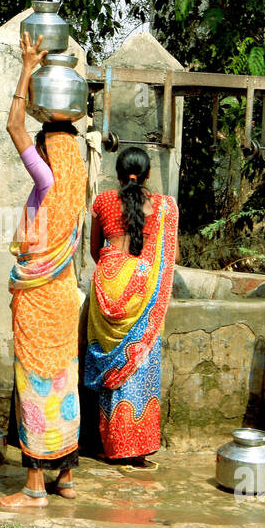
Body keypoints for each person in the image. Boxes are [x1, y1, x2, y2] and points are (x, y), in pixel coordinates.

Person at [0, 33, 87, 509]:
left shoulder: (48, 177)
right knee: (63, 378)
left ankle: (34, 484)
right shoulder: (77, 176)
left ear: (48, 155)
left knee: (34, 378)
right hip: (64, 290)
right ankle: (67, 477)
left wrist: (27, 69)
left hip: (38, 293)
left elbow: (13, 125)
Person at [83, 146, 179, 464]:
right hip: (144, 292)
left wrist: (117, 270)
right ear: (148, 174)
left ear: (118, 174)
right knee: (140, 365)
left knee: (111, 368)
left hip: (106, 286)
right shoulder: (164, 207)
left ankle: (107, 445)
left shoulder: (102, 202)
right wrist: (141, 274)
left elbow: (96, 250)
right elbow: (170, 258)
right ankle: (135, 448)